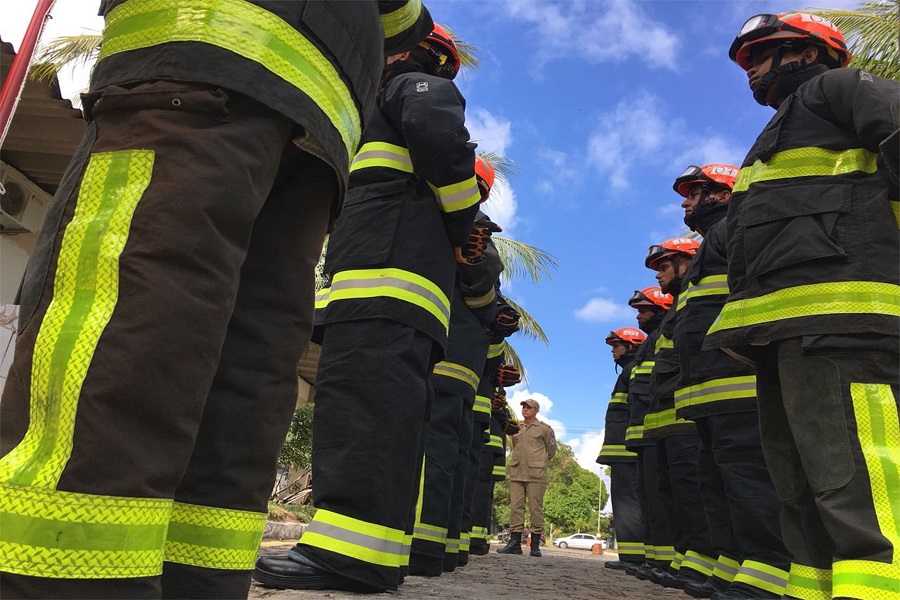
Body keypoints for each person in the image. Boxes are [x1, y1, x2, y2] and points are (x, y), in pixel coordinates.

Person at [0, 2, 433, 599]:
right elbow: (403, 19)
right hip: (325, 113)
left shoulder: (421, 101)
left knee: (130, 305)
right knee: (248, 357)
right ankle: (201, 582)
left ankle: (54, 578)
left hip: (205, 43)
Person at [254, 22, 481, 594]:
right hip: (380, 290)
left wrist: (461, 221)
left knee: (365, 414)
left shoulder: (415, 87)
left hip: (386, 287)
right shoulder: (384, 111)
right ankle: (369, 555)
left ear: (413, 54)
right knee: (375, 416)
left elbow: (442, 144)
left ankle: (347, 558)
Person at [706, 13, 899, 600]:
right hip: (781, 332)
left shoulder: (840, 88)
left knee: (861, 473)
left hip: (846, 318)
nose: (749, 71)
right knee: (803, 483)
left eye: (759, 56)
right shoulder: (774, 136)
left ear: (805, 53)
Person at [672, 164, 790, 599]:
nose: (686, 203)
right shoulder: (713, 243)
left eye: (694, 193)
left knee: (747, 477)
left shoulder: (732, 230)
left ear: (723, 194)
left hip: (737, 387)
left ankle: (769, 573)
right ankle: (728, 568)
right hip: (708, 392)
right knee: (717, 482)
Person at [409, 164, 505, 577]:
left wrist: (470, 261)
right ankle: (444, 546)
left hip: (444, 356)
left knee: (433, 450)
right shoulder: (456, 225)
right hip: (458, 362)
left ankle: (423, 546)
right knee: (453, 454)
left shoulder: (469, 231)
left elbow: (484, 300)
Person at [644, 238, 718, 590]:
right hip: (671, 419)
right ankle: (687, 558)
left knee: (694, 489)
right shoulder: (678, 308)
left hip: (687, 415)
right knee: (676, 490)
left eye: (663, 267)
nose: (658, 275)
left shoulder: (694, 298)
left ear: (687, 263)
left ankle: (699, 559)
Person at [622, 286, 677, 582]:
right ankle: (656, 560)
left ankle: (665, 561)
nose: (639, 317)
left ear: (660, 310)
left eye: (644, 310)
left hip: (659, 429)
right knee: (649, 497)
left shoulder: (660, 338)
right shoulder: (650, 343)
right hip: (646, 432)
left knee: (659, 496)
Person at [596, 326, 647, 570]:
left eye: (617, 346)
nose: (613, 351)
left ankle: (633, 558)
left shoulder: (632, 370)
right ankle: (633, 556)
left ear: (631, 346)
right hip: (626, 450)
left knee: (628, 503)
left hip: (628, 451)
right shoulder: (629, 371)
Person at [496, 398, 557, 557]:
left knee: (535, 508)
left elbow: (551, 451)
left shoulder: (544, 429)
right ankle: (515, 543)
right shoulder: (517, 428)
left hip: (536, 474)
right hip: (517, 472)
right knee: (516, 507)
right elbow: (515, 446)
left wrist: (538, 462)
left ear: (536, 410)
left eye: (529, 407)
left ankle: (535, 545)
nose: (525, 409)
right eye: (523, 406)